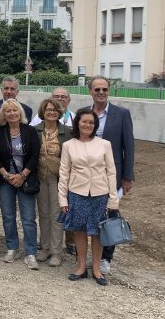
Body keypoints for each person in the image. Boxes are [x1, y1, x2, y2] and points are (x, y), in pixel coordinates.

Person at [57, 109, 119, 286]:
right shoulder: (69, 145)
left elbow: (111, 172)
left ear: (95, 125)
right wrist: (63, 199)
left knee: (98, 232)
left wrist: (113, 199)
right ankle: (81, 266)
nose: (87, 125)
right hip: (77, 193)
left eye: (91, 122)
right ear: (77, 123)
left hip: (100, 193)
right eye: (84, 121)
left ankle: (97, 269)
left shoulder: (104, 144)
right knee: (80, 231)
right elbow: (64, 173)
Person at [88, 75, 135, 275]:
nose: (101, 93)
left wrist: (127, 176)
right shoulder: (84, 114)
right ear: (90, 91)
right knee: (89, 215)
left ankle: (106, 258)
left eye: (104, 89)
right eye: (97, 89)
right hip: (87, 176)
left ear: (109, 91)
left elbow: (129, 147)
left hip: (111, 176)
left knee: (110, 215)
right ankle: (88, 256)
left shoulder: (121, 114)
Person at [0, 98, 41, 269]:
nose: (12, 113)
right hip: (6, 180)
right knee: (8, 216)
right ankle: (12, 247)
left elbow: (35, 156)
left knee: (28, 218)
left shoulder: (30, 131)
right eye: (8, 111)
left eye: (14, 110)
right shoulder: (0, 132)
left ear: (20, 112)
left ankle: (30, 252)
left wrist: (22, 175)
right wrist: (6, 175)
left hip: (25, 179)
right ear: (3, 115)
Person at [33, 98, 72, 266]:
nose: (52, 112)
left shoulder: (66, 132)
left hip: (58, 179)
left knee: (56, 215)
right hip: (40, 176)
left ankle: (57, 251)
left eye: (55, 109)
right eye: (48, 109)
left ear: (59, 112)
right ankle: (45, 247)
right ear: (43, 111)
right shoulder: (35, 131)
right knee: (43, 213)